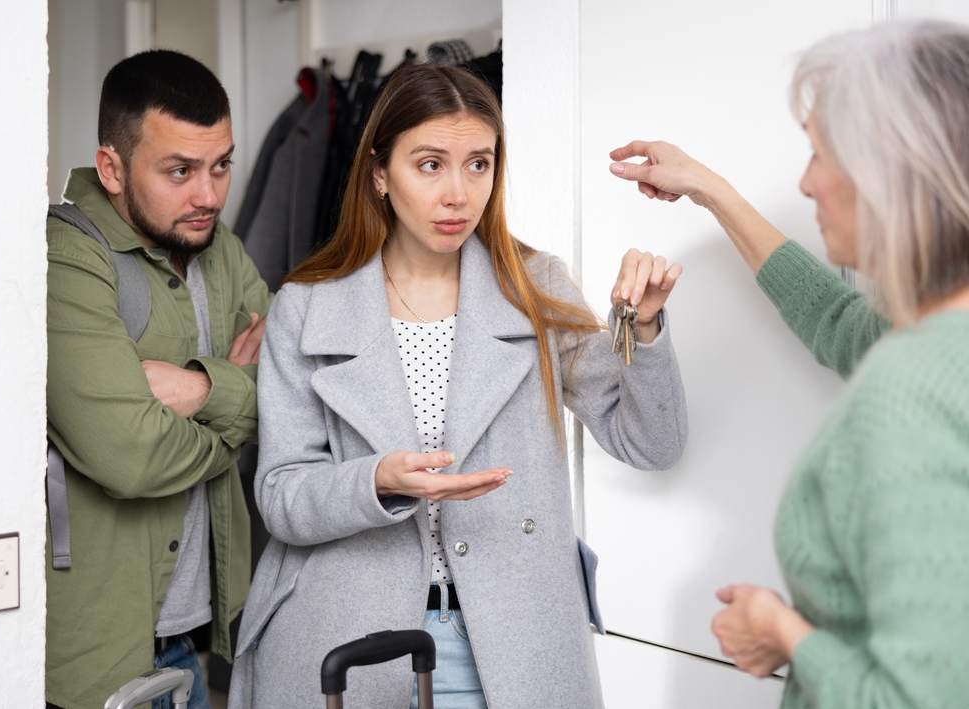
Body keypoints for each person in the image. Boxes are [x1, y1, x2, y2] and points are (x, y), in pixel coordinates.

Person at [228, 63, 688, 709]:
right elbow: (280, 497)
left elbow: (651, 442)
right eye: (430, 164)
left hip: (511, 639)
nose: (458, 193)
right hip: (348, 639)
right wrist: (378, 479)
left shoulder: (537, 288)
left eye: (479, 164)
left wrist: (641, 330)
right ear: (380, 171)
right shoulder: (307, 306)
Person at [609, 20, 969, 707]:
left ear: (890, 175)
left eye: (819, 156)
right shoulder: (929, 337)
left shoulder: (910, 386)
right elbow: (837, 319)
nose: (804, 185)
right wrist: (707, 186)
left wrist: (785, 630)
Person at [45, 50, 272, 709]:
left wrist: (197, 390)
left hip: (197, 639)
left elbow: (297, 390)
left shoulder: (217, 246)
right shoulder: (67, 258)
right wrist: (236, 398)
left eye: (221, 165)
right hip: (99, 655)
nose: (209, 194)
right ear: (112, 168)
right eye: (180, 170)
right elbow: (130, 454)